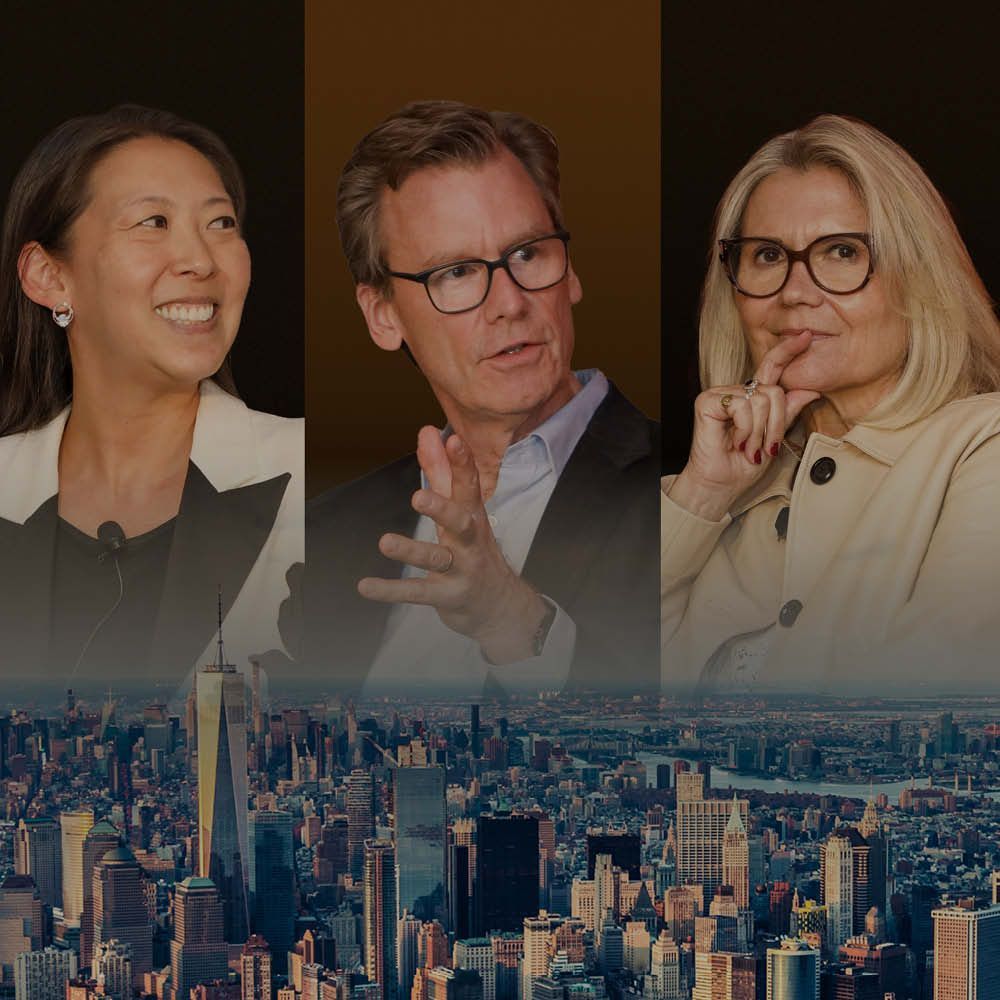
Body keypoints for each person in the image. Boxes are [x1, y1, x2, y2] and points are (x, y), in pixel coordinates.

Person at [305, 100, 659, 698]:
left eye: (528, 253)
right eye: (457, 273)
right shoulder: (322, 535)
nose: (510, 302)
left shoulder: (691, 496)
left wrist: (511, 619)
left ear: (569, 270)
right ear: (383, 315)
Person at [662, 114, 1000, 696]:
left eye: (842, 252)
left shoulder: (983, 449)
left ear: (920, 279)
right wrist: (702, 495)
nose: (795, 291)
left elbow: (925, 717)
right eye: (767, 256)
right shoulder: (722, 486)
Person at [0, 105, 303, 691]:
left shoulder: (328, 484)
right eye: (153, 222)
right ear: (48, 276)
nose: (200, 260)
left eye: (221, 224)